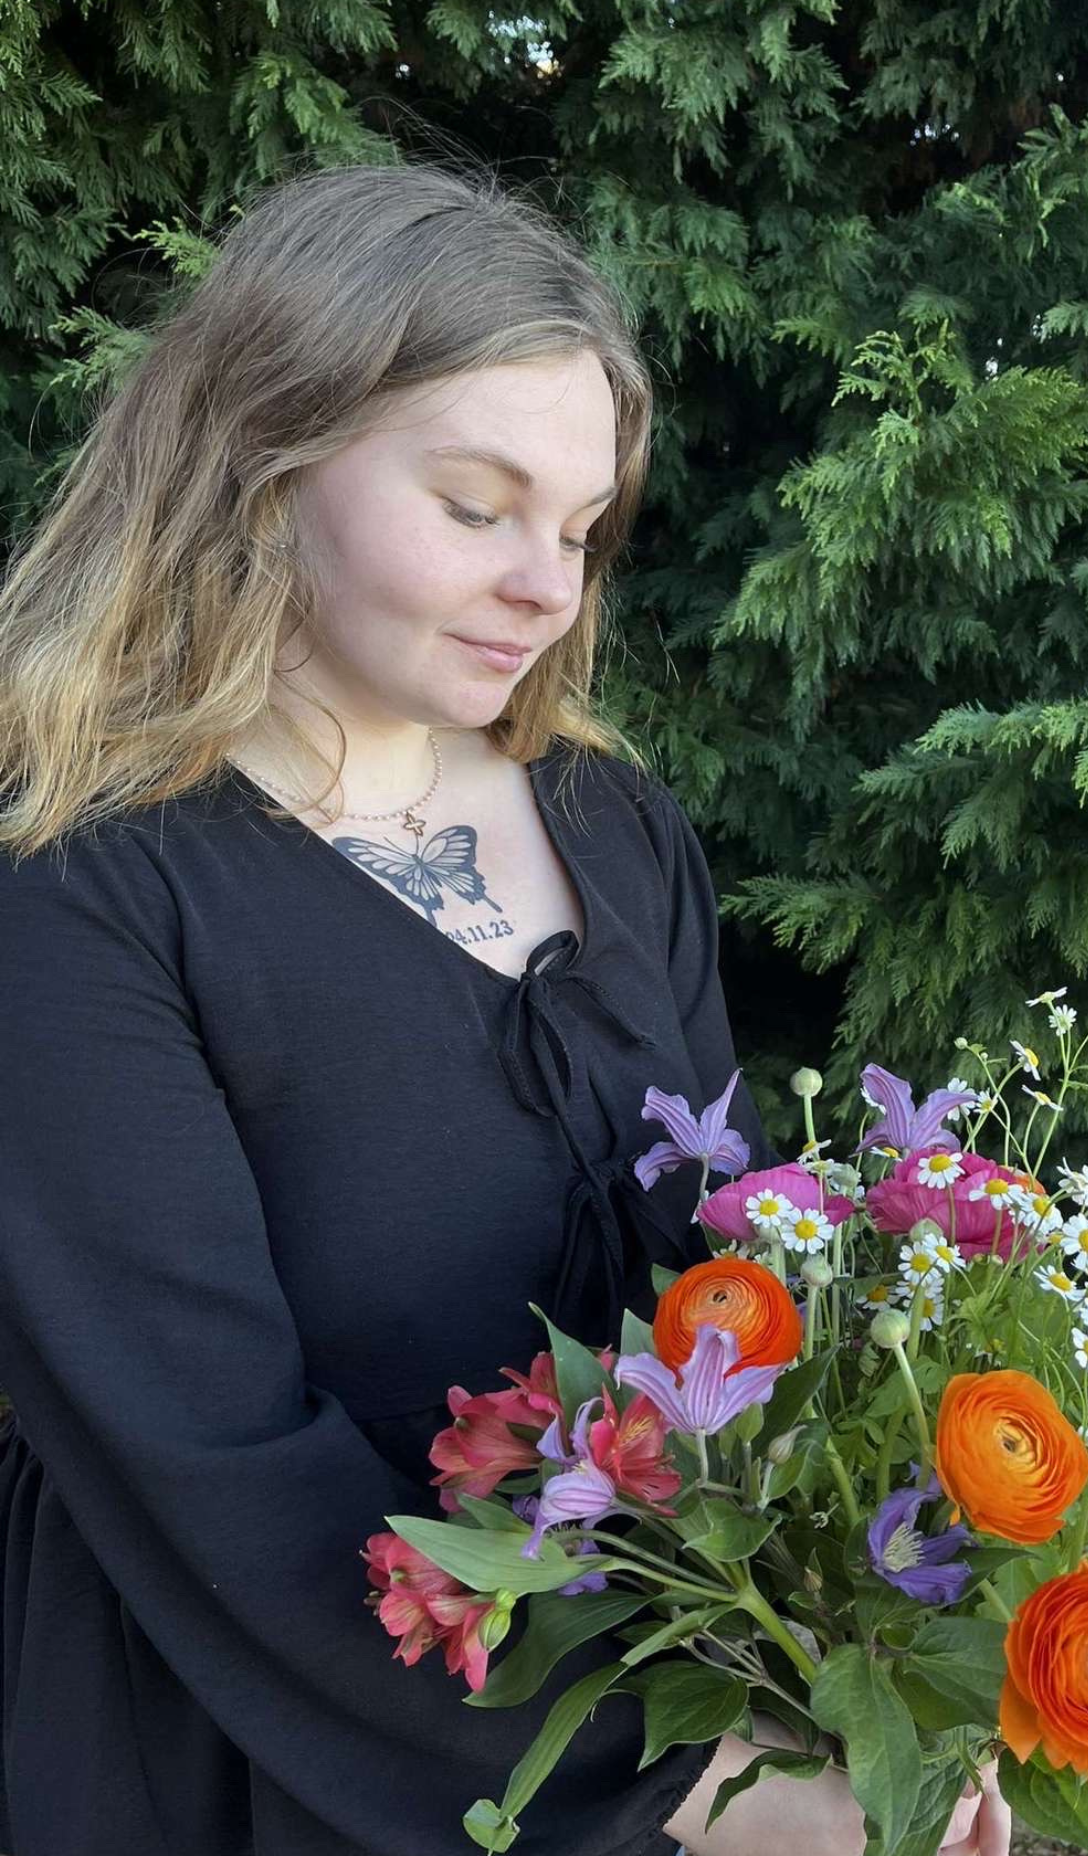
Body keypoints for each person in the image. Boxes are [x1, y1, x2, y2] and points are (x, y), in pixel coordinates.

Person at [0, 158, 1007, 1856]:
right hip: (248, 1733)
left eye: (580, 526)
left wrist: (854, 1688)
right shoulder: (83, 893)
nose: (550, 585)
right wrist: (686, 1793)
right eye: (477, 505)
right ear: (263, 458)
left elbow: (735, 1299)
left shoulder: (613, 825)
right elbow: (206, 1462)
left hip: (664, 1671)